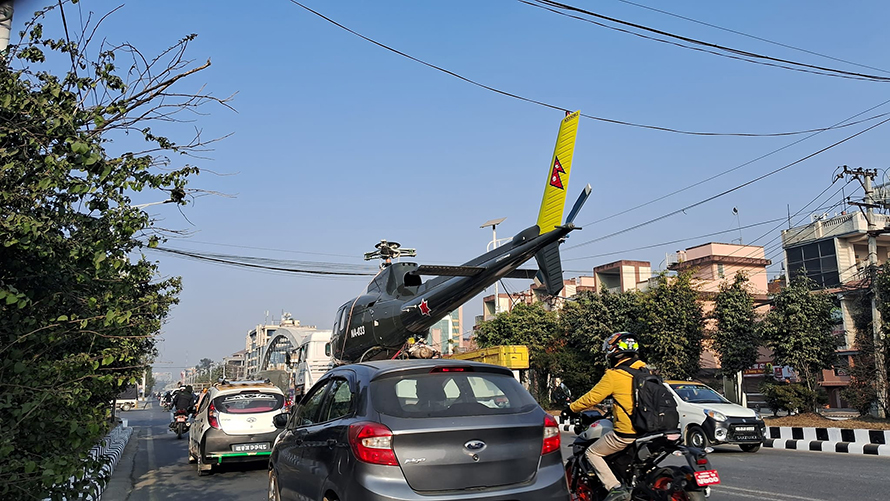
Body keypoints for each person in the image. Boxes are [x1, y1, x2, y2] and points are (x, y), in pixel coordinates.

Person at [564, 332, 644, 501]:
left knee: (592, 452)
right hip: (651, 430)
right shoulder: (646, 372)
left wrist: (571, 409)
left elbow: (592, 398)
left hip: (627, 432)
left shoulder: (615, 375)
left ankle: (615, 488)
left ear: (614, 352)